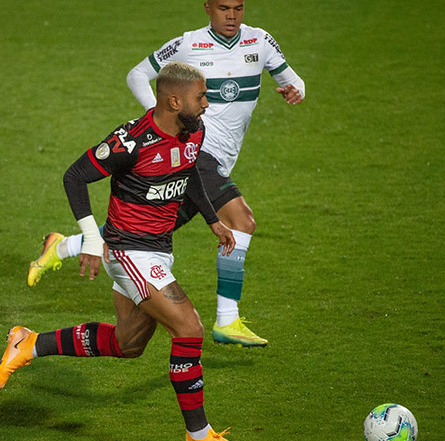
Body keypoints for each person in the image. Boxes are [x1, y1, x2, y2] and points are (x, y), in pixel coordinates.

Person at [0, 62, 253, 441]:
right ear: (174, 100)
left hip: (159, 248)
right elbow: (74, 177)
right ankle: (199, 437)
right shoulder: (129, 142)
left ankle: (30, 342)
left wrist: (213, 220)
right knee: (189, 328)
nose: (207, 104)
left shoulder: (194, 132)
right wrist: (93, 239)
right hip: (128, 251)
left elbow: (190, 177)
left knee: (128, 343)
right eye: (201, 97)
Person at [26, 0, 305, 347]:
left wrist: (296, 90)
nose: (231, 15)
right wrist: (158, 123)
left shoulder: (260, 41)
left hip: (196, 157)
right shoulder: (188, 43)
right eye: (223, 8)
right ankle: (227, 319)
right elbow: (137, 75)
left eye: (238, 7)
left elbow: (293, 81)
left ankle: (64, 245)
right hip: (198, 152)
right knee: (242, 220)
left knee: (151, 223)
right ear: (208, 8)